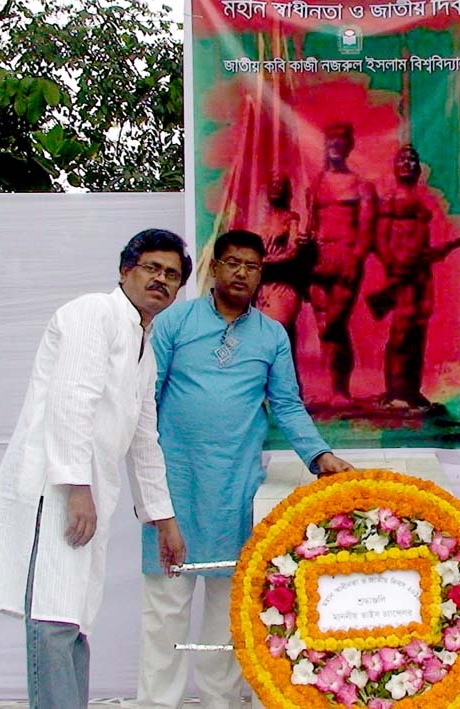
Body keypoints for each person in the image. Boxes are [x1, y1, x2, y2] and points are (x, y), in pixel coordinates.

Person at [0, 229, 190, 709]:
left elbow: (144, 440)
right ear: (124, 270)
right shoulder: (94, 313)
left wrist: (164, 519)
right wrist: (76, 489)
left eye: (172, 275)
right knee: (52, 619)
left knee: (73, 620)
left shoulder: (143, 345)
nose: (162, 280)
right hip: (54, 490)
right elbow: (70, 402)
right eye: (152, 268)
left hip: (88, 493)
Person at [137, 229, 353, 709]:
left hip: (236, 490)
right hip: (175, 486)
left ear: (260, 277)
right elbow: (146, 400)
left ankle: (222, 703)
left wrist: (319, 455)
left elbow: (287, 406)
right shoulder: (175, 322)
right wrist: (142, 480)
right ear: (214, 268)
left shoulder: (271, 335)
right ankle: (157, 704)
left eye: (251, 267)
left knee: (228, 610)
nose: (240, 273)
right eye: (232, 262)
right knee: (165, 611)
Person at [307, 122, 377, 403]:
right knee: (324, 326)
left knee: (336, 323)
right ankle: (334, 390)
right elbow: (311, 222)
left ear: (349, 145)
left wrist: (355, 260)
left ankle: (340, 390)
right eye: (330, 138)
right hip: (319, 259)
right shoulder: (316, 183)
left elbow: (366, 229)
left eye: (341, 139)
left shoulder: (361, 186)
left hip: (346, 258)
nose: (335, 143)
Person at [372, 145, 435, 410]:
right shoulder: (390, 199)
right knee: (401, 331)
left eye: (413, 159)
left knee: (418, 329)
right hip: (401, 273)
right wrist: (393, 265)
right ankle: (396, 390)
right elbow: (381, 238)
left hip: (421, 272)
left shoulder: (421, 199)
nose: (408, 163)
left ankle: (412, 389)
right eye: (403, 159)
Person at [256, 173, 314, 381]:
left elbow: (292, 251)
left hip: (283, 286)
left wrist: (265, 262)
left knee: (279, 333)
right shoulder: (259, 221)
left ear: (287, 191)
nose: (276, 189)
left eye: (280, 185)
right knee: (262, 340)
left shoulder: (291, 220)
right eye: (272, 184)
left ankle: (289, 388)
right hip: (261, 289)